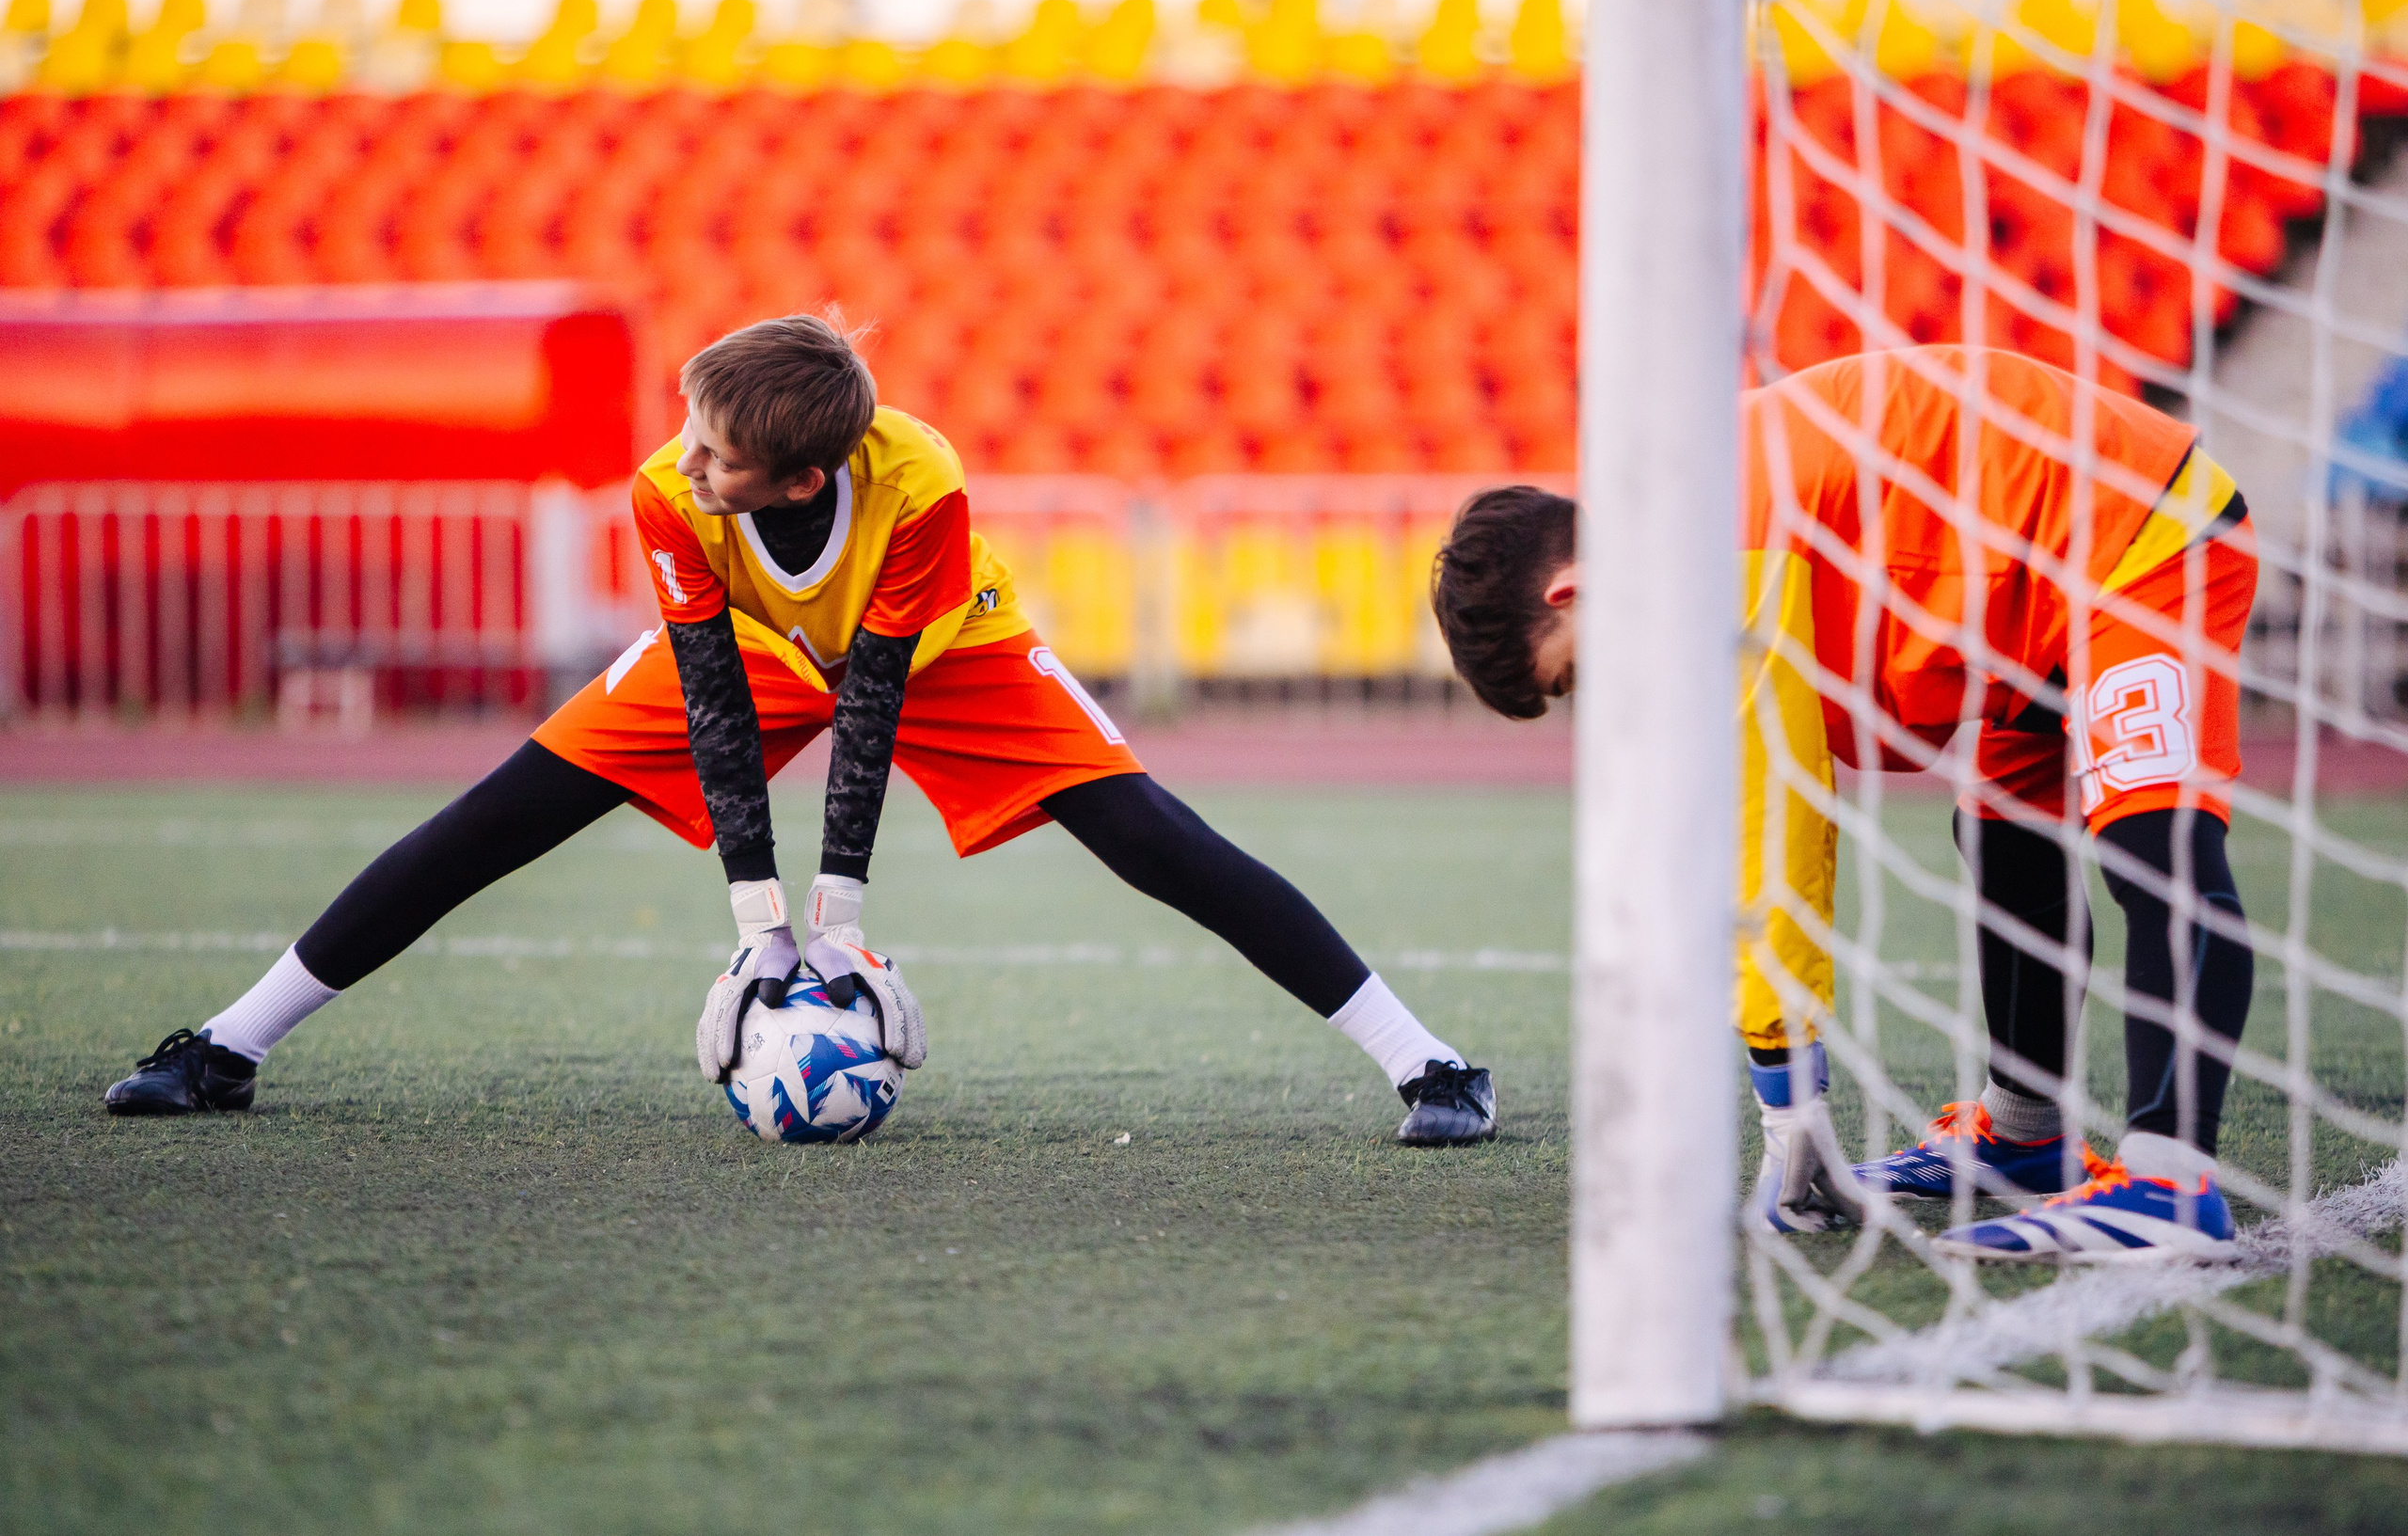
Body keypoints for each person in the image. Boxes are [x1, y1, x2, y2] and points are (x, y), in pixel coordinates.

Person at [105, 313, 1497, 1147]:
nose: (684, 461)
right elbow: (715, 699)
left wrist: (842, 918)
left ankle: (1426, 1059)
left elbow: (874, 699)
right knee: (501, 813)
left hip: (942, 650)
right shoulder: (672, 495)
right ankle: (228, 1044)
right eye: (692, 437)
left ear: (806, 472)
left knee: (1150, 835)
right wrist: (761, 929)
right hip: (756, 655)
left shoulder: (919, 483)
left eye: (715, 450)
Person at [1430, 346, 2256, 1260]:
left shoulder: (1715, 538)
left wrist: (1788, 1106)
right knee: (2000, 834)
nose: (1604, 691)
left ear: (1571, 592)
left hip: (2134, 533)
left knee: (2155, 843)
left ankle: (2170, 1180)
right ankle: (2024, 1136)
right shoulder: (1692, 503)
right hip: (2025, 598)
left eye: (1578, 671)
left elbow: (1778, 817)